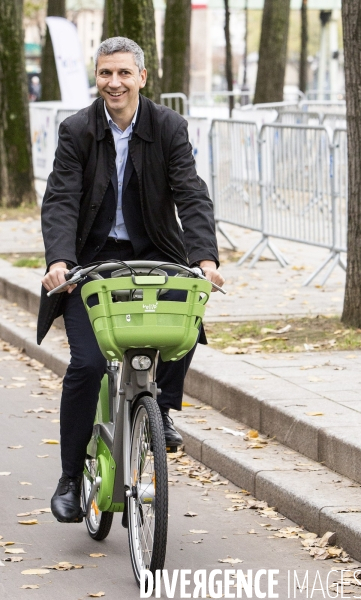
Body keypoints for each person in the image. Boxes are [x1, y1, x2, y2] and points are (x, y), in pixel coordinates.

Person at [38, 36, 224, 524]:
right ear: (96, 77)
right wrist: (59, 260)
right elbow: (60, 198)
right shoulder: (77, 130)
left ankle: (160, 407)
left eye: (124, 73)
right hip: (89, 264)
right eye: (105, 74)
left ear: (142, 77)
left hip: (155, 255)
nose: (113, 83)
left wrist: (204, 257)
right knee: (87, 363)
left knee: (185, 320)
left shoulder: (168, 126)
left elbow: (191, 192)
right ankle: (68, 480)